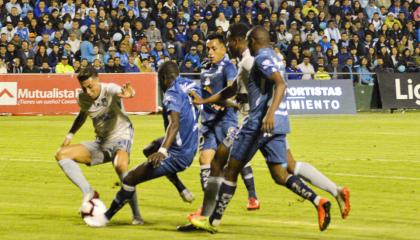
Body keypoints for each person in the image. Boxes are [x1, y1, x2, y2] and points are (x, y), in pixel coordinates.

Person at [188, 26, 333, 233]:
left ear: (250, 41)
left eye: (233, 41)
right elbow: (233, 89)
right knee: (280, 174)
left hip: (256, 124)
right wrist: (205, 100)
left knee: (230, 169)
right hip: (273, 126)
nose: (232, 45)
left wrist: (269, 113)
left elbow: (280, 84)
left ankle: (211, 222)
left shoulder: (256, 59)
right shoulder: (271, 57)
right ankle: (318, 200)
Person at [86, 61, 201, 227]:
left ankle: (104, 218)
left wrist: (162, 150)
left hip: (179, 153)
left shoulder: (171, 94)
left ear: (164, 78)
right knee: (149, 150)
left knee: (130, 178)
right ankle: (181, 187)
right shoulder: (189, 84)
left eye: (160, 79)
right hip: (188, 142)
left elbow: (174, 124)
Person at [54, 66, 143, 225]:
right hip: (101, 142)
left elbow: (125, 92)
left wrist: (131, 93)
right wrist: (70, 135)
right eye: (84, 88)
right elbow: (82, 115)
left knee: (121, 167)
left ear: (98, 80)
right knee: (61, 154)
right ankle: (89, 192)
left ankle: (137, 215)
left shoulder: (109, 89)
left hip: (121, 136)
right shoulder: (83, 98)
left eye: (90, 86)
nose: (88, 91)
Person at [195, 33, 259, 212]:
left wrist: (227, 103)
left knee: (236, 157)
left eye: (214, 48)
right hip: (208, 122)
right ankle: (208, 204)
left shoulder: (228, 67)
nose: (209, 52)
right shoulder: (205, 68)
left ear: (224, 48)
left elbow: (232, 91)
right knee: (204, 160)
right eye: (208, 48)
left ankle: (252, 196)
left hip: (226, 120)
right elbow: (206, 92)